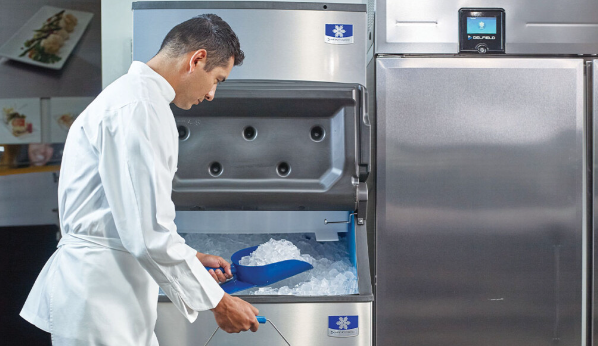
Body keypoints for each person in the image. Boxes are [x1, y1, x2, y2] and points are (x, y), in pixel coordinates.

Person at [20, 14, 260, 345]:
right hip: (101, 299)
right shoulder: (139, 108)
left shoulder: (133, 99)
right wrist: (219, 303)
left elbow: (127, 220)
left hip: (108, 292)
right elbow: (148, 235)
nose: (211, 94)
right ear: (197, 59)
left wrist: (190, 258)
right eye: (217, 79)